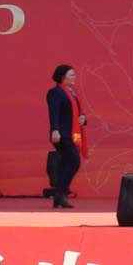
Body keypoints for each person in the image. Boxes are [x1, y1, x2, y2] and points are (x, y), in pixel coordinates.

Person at [46, 64, 87, 209]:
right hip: (62, 134)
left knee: (66, 164)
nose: (74, 77)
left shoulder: (72, 92)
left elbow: (76, 113)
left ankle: (59, 196)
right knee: (74, 162)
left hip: (73, 133)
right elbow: (54, 113)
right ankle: (61, 193)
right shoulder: (55, 92)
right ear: (63, 77)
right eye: (71, 75)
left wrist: (83, 119)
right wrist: (55, 130)